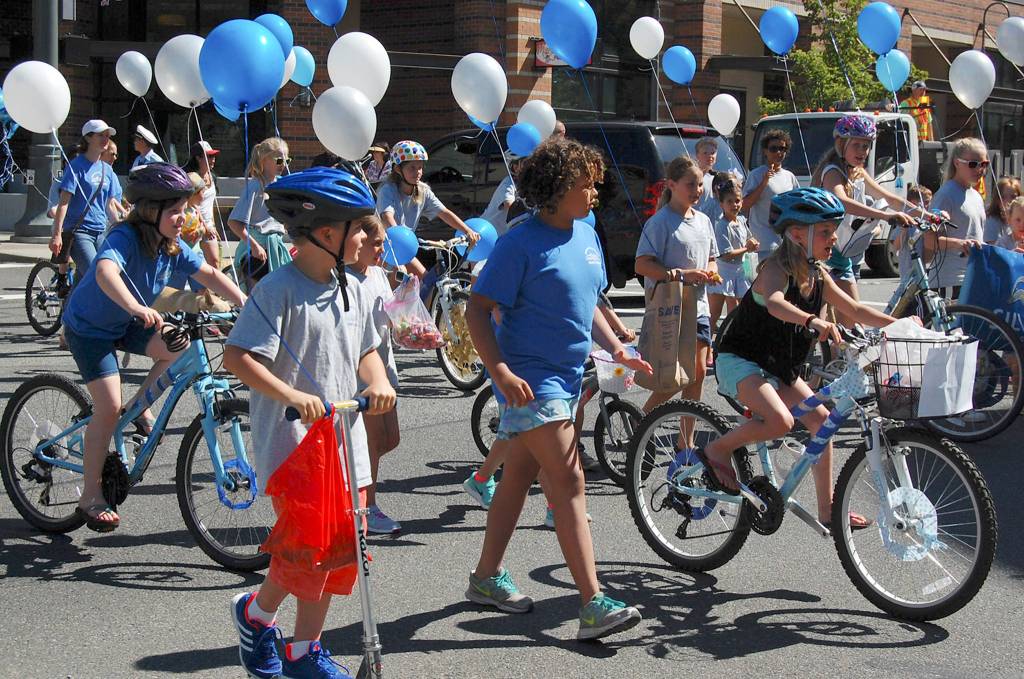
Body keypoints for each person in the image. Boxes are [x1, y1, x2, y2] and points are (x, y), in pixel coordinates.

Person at [464, 137, 650, 641]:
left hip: (568, 378)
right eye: (585, 183)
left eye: (595, 182)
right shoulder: (519, 243)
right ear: (556, 187)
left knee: (518, 477)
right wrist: (500, 373)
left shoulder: (586, 235)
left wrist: (617, 347)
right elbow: (476, 310)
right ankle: (593, 602)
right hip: (529, 381)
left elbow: (588, 302)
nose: (595, 190)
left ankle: (484, 578)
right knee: (568, 483)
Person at [225, 166, 396, 679]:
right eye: (361, 228)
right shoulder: (279, 290)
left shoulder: (357, 288)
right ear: (327, 234)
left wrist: (377, 380)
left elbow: (364, 347)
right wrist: (292, 394)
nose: (373, 236)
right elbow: (238, 357)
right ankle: (256, 616)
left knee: (340, 551)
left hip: (346, 442)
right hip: (297, 445)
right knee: (306, 553)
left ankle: (302, 650)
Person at [61, 163, 246, 533]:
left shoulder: (171, 245)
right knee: (108, 407)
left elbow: (208, 275)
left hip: (128, 321)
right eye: (175, 210)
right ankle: (91, 495)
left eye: (184, 209)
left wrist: (246, 304)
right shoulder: (125, 237)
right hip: (91, 327)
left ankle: (138, 407)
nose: (183, 217)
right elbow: (105, 272)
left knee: (177, 348)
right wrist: (135, 306)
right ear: (150, 210)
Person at [707, 187, 905, 529]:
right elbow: (774, 302)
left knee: (822, 422)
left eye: (833, 231)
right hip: (740, 359)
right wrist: (812, 319)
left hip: (777, 365)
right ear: (798, 233)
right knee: (781, 422)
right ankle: (717, 450)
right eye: (825, 232)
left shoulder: (818, 274)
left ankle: (827, 510)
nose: (833, 238)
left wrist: (903, 325)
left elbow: (856, 309)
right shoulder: (775, 268)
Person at [811, 114, 916, 325]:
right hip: (826, 254)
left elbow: (888, 197)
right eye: (857, 145)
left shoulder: (857, 172)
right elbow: (841, 201)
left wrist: (925, 213)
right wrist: (885, 215)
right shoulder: (832, 171)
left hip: (842, 252)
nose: (862, 151)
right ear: (841, 144)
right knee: (844, 321)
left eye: (866, 146)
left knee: (846, 324)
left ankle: (836, 356)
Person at [634, 156, 719, 414]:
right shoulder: (660, 222)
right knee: (679, 374)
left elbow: (713, 258)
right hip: (671, 307)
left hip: (700, 306)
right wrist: (679, 275)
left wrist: (711, 272)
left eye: (700, 184)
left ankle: (686, 443)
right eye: (690, 184)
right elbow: (641, 265)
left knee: (699, 371)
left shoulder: (703, 221)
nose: (697, 191)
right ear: (672, 184)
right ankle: (645, 418)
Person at [348, 217, 403, 534]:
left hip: (385, 367)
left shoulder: (380, 275)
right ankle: (366, 508)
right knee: (371, 442)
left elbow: (392, 317)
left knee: (389, 439)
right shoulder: (344, 280)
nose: (383, 248)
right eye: (377, 243)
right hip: (361, 376)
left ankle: (353, 481)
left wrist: (408, 310)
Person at [376, 140, 480, 278]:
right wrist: (400, 244)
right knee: (393, 290)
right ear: (397, 169)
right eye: (412, 168)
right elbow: (388, 218)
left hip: (404, 249)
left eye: (420, 167)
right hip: (382, 248)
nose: (417, 172)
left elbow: (444, 213)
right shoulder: (388, 190)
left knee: (427, 282)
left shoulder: (423, 190)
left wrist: (467, 231)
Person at [49, 120, 125, 276]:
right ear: (88, 138)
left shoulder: (107, 170)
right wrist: (57, 235)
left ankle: (71, 300)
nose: (105, 139)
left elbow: (110, 204)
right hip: (79, 232)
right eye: (100, 135)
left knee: (109, 275)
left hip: (100, 232)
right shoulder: (76, 166)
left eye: (107, 136)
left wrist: (120, 227)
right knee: (97, 276)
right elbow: (63, 203)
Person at [923, 138, 989, 299]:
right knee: (955, 325)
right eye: (973, 164)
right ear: (957, 163)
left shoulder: (976, 196)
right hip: (950, 279)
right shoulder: (946, 195)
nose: (980, 169)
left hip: (973, 277)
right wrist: (960, 244)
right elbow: (930, 241)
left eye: (984, 164)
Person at [227, 137, 292, 289]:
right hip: (256, 252)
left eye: (287, 161)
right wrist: (255, 246)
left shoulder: (280, 185)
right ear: (263, 160)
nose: (283, 165)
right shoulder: (255, 186)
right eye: (278, 160)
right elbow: (234, 222)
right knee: (257, 298)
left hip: (275, 248)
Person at [708, 172, 758, 339]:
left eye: (737, 201)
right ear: (721, 204)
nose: (734, 205)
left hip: (740, 271)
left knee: (738, 310)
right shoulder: (722, 225)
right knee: (714, 314)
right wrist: (747, 248)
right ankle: (706, 347)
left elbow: (749, 237)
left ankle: (732, 342)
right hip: (724, 273)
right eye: (729, 201)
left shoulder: (741, 221)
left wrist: (753, 242)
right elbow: (726, 254)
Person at [742, 129, 801, 259]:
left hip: (786, 242)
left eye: (782, 148)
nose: (778, 152)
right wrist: (764, 183)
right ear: (765, 151)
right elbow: (744, 205)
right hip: (764, 243)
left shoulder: (789, 176)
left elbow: (797, 204)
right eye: (773, 149)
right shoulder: (756, 174)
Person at [181, 172, 221, 270]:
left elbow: (200, 218)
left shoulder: (195, 208)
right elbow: (183, 238)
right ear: (193, 195)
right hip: (182, 256)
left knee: (201, 284)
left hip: (196, 253)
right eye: (202, 192)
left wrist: (207, 228)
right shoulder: (183, 214)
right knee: (176, 285)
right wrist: (201, 231)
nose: (204, 196)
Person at [183, 141, 221, 243]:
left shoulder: (213, 177)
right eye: (209, 156)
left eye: (214, 156)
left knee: (214, 259)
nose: (213, 159)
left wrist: (213, 225)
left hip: (208, 224)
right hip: (190, 223)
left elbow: (211, 203)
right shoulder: (189, 177)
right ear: (198, 158)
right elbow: (188, 204)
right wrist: (203, 226)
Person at [480, 151, 522, 238]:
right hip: (487, 234)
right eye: (527, 163)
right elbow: (509, 204)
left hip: (504, 235)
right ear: (515, 167)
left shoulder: (526, 185)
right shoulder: (508, 182)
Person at [983, 176, 1022, 244]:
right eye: (1003, 197)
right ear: (997, 199)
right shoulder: (991, 220)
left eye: (1013, 197)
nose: (1009, 201)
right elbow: (993, 250)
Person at [693, 136, 722, 222]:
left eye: (713, 153)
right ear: (697, 155)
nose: (710, 156)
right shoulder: (693, 178)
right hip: (698, 223)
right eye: (705, 153)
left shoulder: (718, 178)